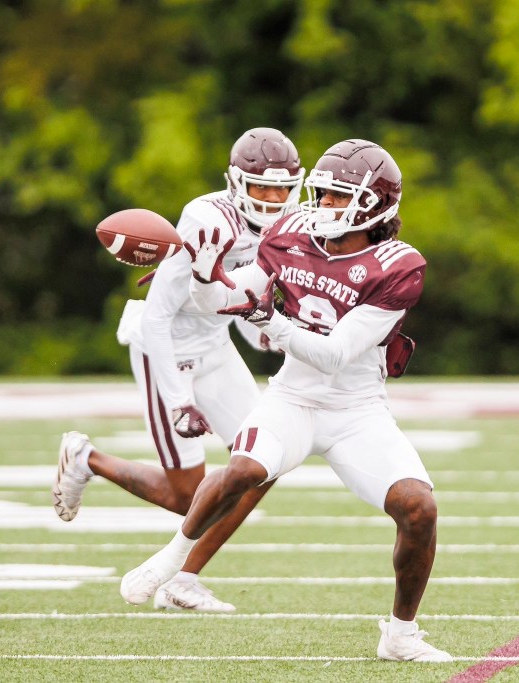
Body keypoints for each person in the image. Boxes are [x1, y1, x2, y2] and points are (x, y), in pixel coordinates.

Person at [119, 139, 452, 662]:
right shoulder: (292, 231)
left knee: (420, 509)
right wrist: (204, 276)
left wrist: (269, 319)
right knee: (244, 469)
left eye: (337, 197)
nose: (323, 205)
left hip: (356, 411)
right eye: (321, 193)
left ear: (372, 205)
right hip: (292, 398)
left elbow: (335, 354)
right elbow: (226, 300)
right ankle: (172, 559)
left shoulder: (397, 265)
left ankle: (401, 635)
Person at [52, 128, 305, 613]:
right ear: (236, 183)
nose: (273, 200)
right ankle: (86, 459)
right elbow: (157, 317)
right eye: (262, 188)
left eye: (282, 190)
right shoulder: (207, 220)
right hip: (165, 350)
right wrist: (179, 401)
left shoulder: (290, 225)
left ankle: (184, 580)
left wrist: (261, 333)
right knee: (187, 495)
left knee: (267, 461)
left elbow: (243, 293)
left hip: (215, 345)